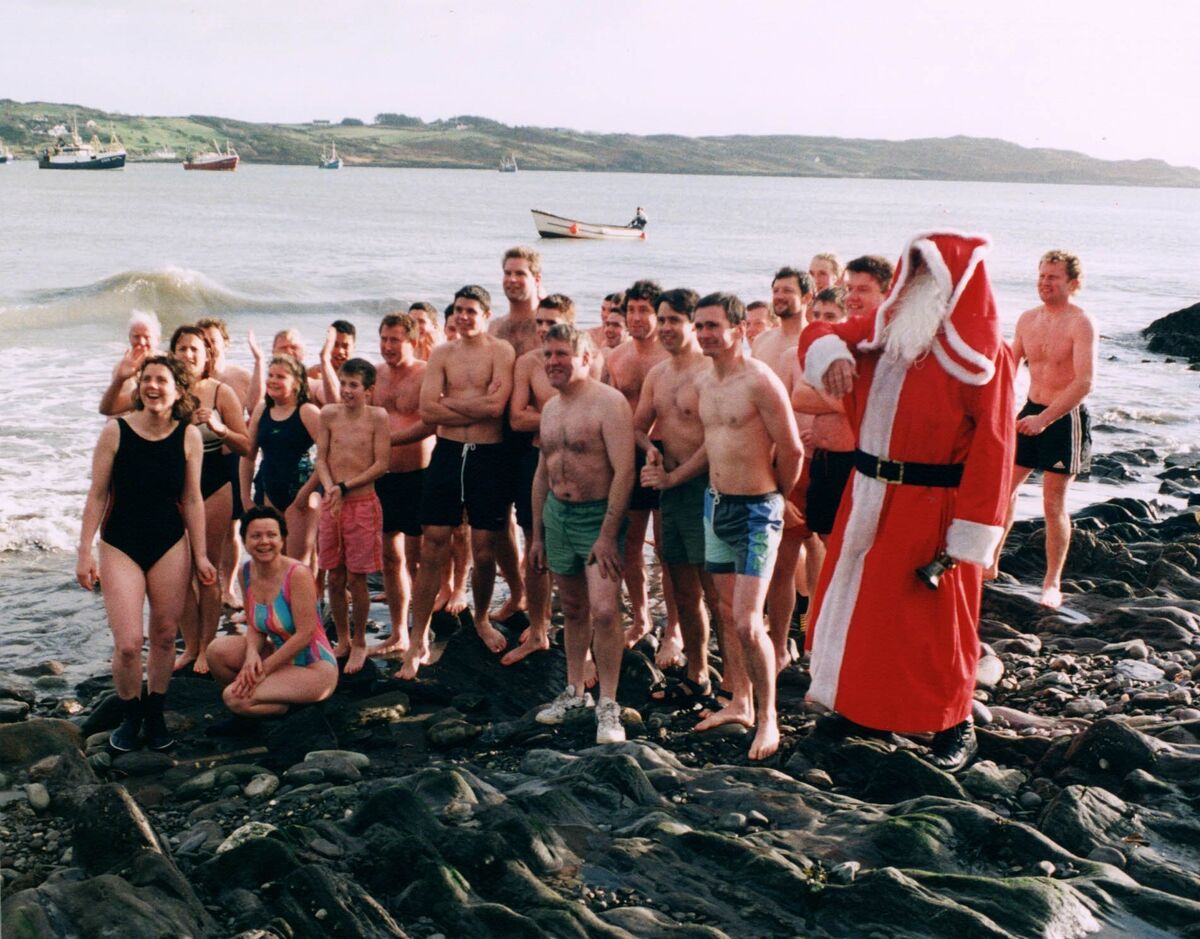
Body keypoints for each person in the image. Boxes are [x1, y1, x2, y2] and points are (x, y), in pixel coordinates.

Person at [799, 231, 1015, 772]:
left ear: (955, 286)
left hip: (933, 506)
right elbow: (816, 333)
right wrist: (829, 356)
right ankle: (857, 705)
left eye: (930, 275)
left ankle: (954, 719)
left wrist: (971, 534)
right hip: (867, 493)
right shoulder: (881, 333)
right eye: (912, 272)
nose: (916, 284)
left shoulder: (985, 359)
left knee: (940, 620)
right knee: (868, 612)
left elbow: (996, 447)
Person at [671, 293, 802, 760]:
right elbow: (714, 443)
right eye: (700, 326)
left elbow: (792, 448)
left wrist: (779, 498)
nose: (705, 334)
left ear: (738, 330)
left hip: (756, 511)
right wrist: (673, 474)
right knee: (727, 611)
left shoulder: (760, 381)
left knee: (748, 621)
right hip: (716, 505)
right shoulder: (705, 383)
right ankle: (739, 701)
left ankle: (769, 719)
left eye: (713, 326)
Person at [77, 355, 216, 752]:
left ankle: (154, 714)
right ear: (139, 386)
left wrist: (202, 555)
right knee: (126, 643)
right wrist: (84, 550)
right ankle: (129, 715)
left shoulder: (189, 436)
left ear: (178, 390)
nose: (153, 387)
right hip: (120, 542)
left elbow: (192, 499)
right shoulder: (115, 431)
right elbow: (97, 494)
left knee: (164, 634)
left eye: (162, 380)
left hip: (170, 542)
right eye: (147, 379)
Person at [400, 285, 516, 679]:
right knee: (433, 540)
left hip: (489, 456)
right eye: (459, 311)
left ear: (485, 314)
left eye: (471, 311)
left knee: (484, 548)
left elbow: (497, 408)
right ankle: (417, 637)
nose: (463, 317)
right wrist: (473, 407)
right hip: (448, 455)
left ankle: (481, 618)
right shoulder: (441, 354)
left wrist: (453, 406)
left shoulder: (501, 352)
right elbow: (428, 409)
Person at [532, 324, 635, 745]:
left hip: (597, 517)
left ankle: (608, 704)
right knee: (572, 607)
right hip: (558, 515)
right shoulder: (551, 408)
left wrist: (608, 534)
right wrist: (537, 535)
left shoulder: (609, 404)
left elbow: (625, 471)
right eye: (548, 354)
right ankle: (576, 692)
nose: (553, 362)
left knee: (606, 610)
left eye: (562, 354)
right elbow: (543, 472)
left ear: (586, 358)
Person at [988, 250, 1095, 608]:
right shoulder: (1027, 319)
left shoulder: (1081, 323)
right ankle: (990, 564)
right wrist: (994, 412)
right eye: (1042, 276)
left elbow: (1083, 383)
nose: (1045, 283)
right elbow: (1008, 367)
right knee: (1004, 490)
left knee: (1053, 503)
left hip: (1064, 418)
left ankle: (1052, 583)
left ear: (1073, 283)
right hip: (1030, 411)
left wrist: (1044, 419)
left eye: (1053, 277)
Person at [635, 288, 716, 704]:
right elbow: (638, 425)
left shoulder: (709, 372)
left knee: (715, 588)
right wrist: (649, 448)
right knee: (681, 586)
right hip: (673, 490)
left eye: (673, 321)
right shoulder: (658, 375)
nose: (665, 328)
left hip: (707, 490)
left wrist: (675, 475)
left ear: (692, 324)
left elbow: (715, 441)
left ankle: (737, 683)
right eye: (661, 319)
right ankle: (697, 670)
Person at [206, 507, 338, 726]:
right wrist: (251, 658)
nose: (264, 542)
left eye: (271, 535)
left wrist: (263, 670)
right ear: (245, 541)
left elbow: (306, 634)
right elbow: (256, 627)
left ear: (282, 539)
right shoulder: (245, 572)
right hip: (277, 653)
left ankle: (282, 706)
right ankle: (260, 699)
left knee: (233, 698)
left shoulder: (298, 574)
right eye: (256, 536)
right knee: (216, 652)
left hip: (313, 666)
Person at [169, 325, 251, 674]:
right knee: (179, 571)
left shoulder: (220, 392)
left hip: (215, 482)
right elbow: (116, 411)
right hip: (174, 485)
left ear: (207, 357)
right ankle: (189, 646)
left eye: (195, 350)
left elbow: (247, 445)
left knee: (208, 569)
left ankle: (206, 647)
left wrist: (219, 428)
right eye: (182, 348)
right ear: (172, 353)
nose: (188, 354)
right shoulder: (164, 390)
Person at [795, 258, 893, 545]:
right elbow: (799, 396)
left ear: (887, 295)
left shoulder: (885, 342)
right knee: (825, 540)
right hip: (824, 460)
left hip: (856, 462)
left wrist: (840, 397)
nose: (852, 297)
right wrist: (843, 398)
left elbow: (868, 407)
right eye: (849, 288)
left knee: (852, 545)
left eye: (862, 289)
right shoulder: (838, 341)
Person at [502, 293, 577, 665]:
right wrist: (559, 415)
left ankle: (580, 631)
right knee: (535, 543)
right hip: (534, 457)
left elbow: (590, 408)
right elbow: (516, 417)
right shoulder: (528, 363)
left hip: (576, 460)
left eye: (553, 323)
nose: (545, 330)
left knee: (578, 544)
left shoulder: (580, 360)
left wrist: (544, 412)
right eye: (540, 323)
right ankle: (539, 627)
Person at [602, 279, 676, 649]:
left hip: (667, 450)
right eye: (631, 310)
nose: (636, 317)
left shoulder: (669, 357)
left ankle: (675, 626)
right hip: (628, 451)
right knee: (629, 543)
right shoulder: (616, 357)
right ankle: (642, 616)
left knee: (667, 547)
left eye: (644, 310)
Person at [752, 268, 815, 669]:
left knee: (785, 561)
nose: (779, 296)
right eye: (775, 289)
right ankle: (758, 635)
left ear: (806, 297)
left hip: (797, 463)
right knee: (755, 557)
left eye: (788, 291)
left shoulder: (811, 345)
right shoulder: (761, 340)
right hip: (757, 459)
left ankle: (779, 643)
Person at [316, 358, 390, 673]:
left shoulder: (378, 417)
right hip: (332, 503)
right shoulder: (328, 414)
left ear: (368, 390)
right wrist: (331, 487)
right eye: (344, 384)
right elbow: (321, 456)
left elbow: (380, 464)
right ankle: (343, 639)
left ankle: (360, 640)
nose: (346, 391)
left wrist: (345, 486)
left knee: (358, 577)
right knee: (333, 574)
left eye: (353, 386)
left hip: (362, 503)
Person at [369, 313, 436, 657]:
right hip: (383, 476)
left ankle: (421, 633)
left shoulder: (426, 373)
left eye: (395, 340)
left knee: (420, 558)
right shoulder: (375, 375)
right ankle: (398, 633)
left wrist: (390, 441)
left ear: (412, 341)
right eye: (383, 339)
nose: (388, 346)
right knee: (389, 557)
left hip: (418, 474)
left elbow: (431, 422)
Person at [241, 354, 322, 564]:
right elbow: (248, 456)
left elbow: (328, 456)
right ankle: (270, 598)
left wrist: (305, 494)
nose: (272, 381)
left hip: (303, 492)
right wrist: (245, 497)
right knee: (270, 559)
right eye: (270, 375)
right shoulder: (262, 409)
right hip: (270, 490)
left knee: (298, 563)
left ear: (296, 383)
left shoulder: (307, 411)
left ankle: (309, 597)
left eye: (281, 377)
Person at [98, 310, 162, 416]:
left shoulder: (168, 363)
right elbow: (113, 409)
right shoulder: (122, 367)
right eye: (136, 337)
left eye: (147, 337)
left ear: (157, 339)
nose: (141, 342)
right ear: (129, 338)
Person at [309, 320, 356, 405]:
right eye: (335, 345)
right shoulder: (315, 374)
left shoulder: (359, 377)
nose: (340, 351)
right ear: (328, 345)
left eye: (345, 346)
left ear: (354, 347)